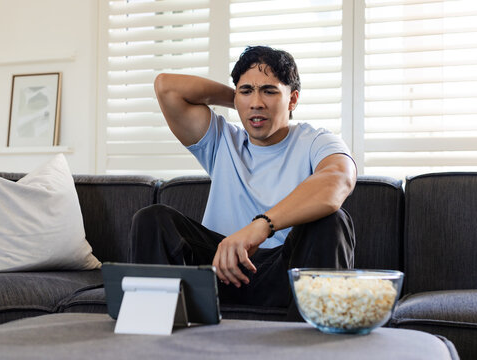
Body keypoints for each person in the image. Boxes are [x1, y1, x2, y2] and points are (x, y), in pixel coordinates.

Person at [131, 46, 357, 313]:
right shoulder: (222, 140)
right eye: (246, 90)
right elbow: (167, 87)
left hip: (283, 273)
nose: (257, 102)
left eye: (270, 91)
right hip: (219, 269)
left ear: (293, 100)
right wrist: (243, 100)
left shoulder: (317, 141)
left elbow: (337, 180)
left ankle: (309, 350)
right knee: (152, 219)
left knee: (333, 220)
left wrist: (261, 227)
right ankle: (152, 338)